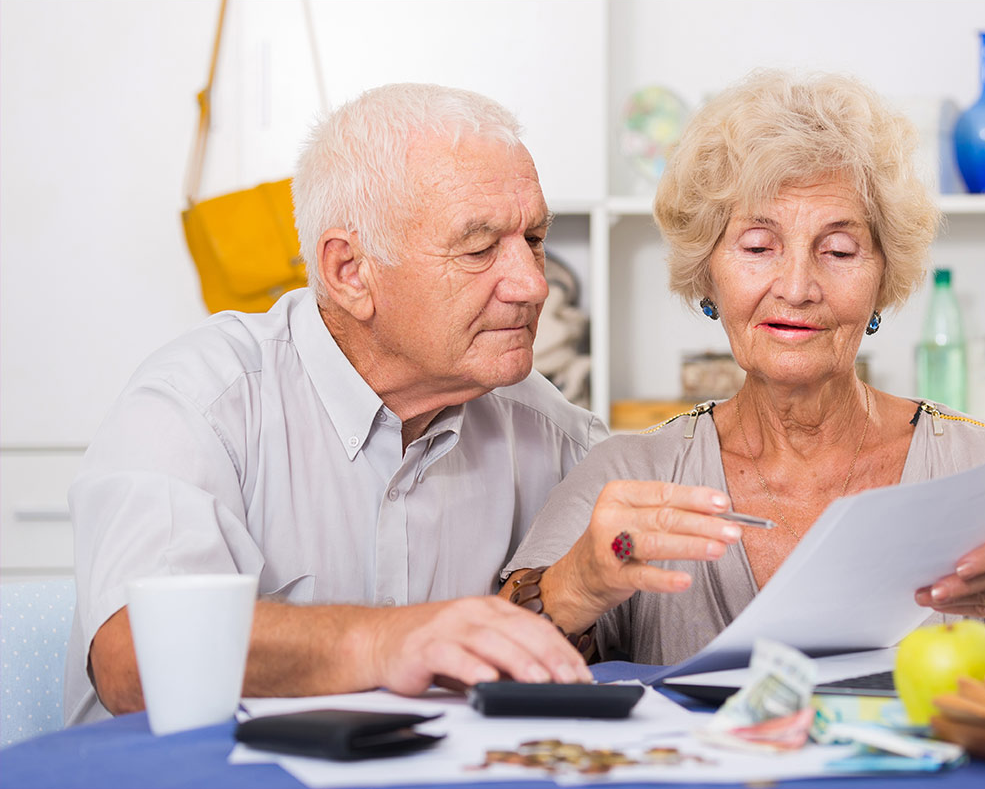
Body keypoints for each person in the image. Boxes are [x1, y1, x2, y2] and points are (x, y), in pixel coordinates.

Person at [499, 70, 985, 665]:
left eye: (838, 249)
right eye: (758, 246)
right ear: (708, 273)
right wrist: (574, 586)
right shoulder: (629, 475)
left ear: (884, 280)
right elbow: (488, 670)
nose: (798, 286)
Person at [65, 83, 605, 726]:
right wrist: (386, 641)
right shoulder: (199, 401)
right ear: (350, 272)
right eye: (480, 247)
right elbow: (135, 661)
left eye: (535, 239)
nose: (533, 283)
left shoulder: (548, 429)